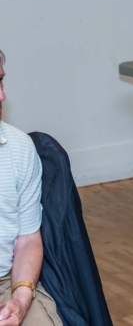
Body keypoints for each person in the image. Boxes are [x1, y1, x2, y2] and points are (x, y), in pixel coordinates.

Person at [0, 49, 62, 326]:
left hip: (6, 280)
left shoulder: (19, 148)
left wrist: (21, 299)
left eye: (0, 82)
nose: (2, 96)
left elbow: (27, 239)